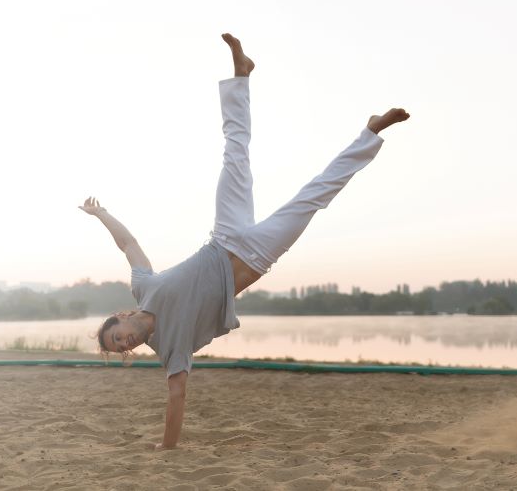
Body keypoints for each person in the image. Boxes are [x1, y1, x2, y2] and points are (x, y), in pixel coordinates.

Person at [79, 33, 409, 449]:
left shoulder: (144, 287)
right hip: (257, 254)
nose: (125, 341)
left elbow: (128, 244)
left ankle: (241, 75)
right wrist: (167, 448)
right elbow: (176, 396)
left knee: (235, 152)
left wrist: (100, 213)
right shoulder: (171, 348)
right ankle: (371, 133)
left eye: (118, 334)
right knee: (315, 195)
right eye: (121, 346)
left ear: (122, 317)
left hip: (224, 235)